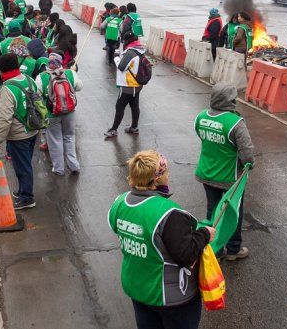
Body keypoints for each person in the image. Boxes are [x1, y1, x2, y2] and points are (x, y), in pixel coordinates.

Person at [108, 150, 213, 329]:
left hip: (138, 289)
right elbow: (186, 254)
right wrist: (205, 234)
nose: (168, 175)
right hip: (170, 298)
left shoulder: (119, 203)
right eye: (166, 172)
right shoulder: (169, 213)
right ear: (157, 179)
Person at [195, 82, 255, 261]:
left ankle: (215, 250)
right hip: (230, 178)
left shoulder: (201, 117)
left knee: (213, 211)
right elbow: (247, 152)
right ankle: (233, 249)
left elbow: (201, 136)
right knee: (232, 212)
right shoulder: (235, 122)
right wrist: (249, 164)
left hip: (206, 172)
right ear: (231, 100)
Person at [0, 52, 40, 210]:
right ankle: (23, 191)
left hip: (18, 136)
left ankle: (27, 198)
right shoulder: (29, 80)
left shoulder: (7, 89)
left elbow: (5, 119)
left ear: (1, 70)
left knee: (23, 167)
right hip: (33, 130)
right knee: (24, 165)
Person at [35, 52, 83, 176]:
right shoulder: (69, 73)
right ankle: (73, 165)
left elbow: (37, 93)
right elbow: (79, 87)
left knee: (55, 140)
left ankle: (59, 169)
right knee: (69, 137)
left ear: (48, 63)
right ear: (61, 62)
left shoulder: (42, 76)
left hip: (52, 114)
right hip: (70, 112)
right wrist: (73, 73)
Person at [105, 32, 146, 138]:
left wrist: (116, 57)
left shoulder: (130, 52)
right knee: (134, 106)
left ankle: (114, 130)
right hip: (137, 85)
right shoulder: (139, 50)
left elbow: (121, 67)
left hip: (128, 85)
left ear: (127, 40)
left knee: (119, 107)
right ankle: (134, 127)